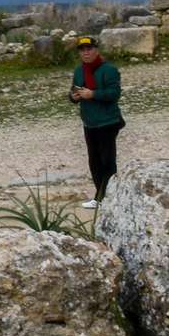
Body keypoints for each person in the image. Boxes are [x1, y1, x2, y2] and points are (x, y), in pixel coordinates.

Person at [70, 36, 124, 208]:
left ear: (96, 50)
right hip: (89, 123)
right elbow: (73, 91)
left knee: (107, 161)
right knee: (94, 161)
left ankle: (110, 197)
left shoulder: (109, 70)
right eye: (82, 50)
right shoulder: (79, 71)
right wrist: (74, 96)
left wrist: (93, 94)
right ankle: (100, 197)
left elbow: (114, 94)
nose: (86, 52)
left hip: (108, 122)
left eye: (89, 49)